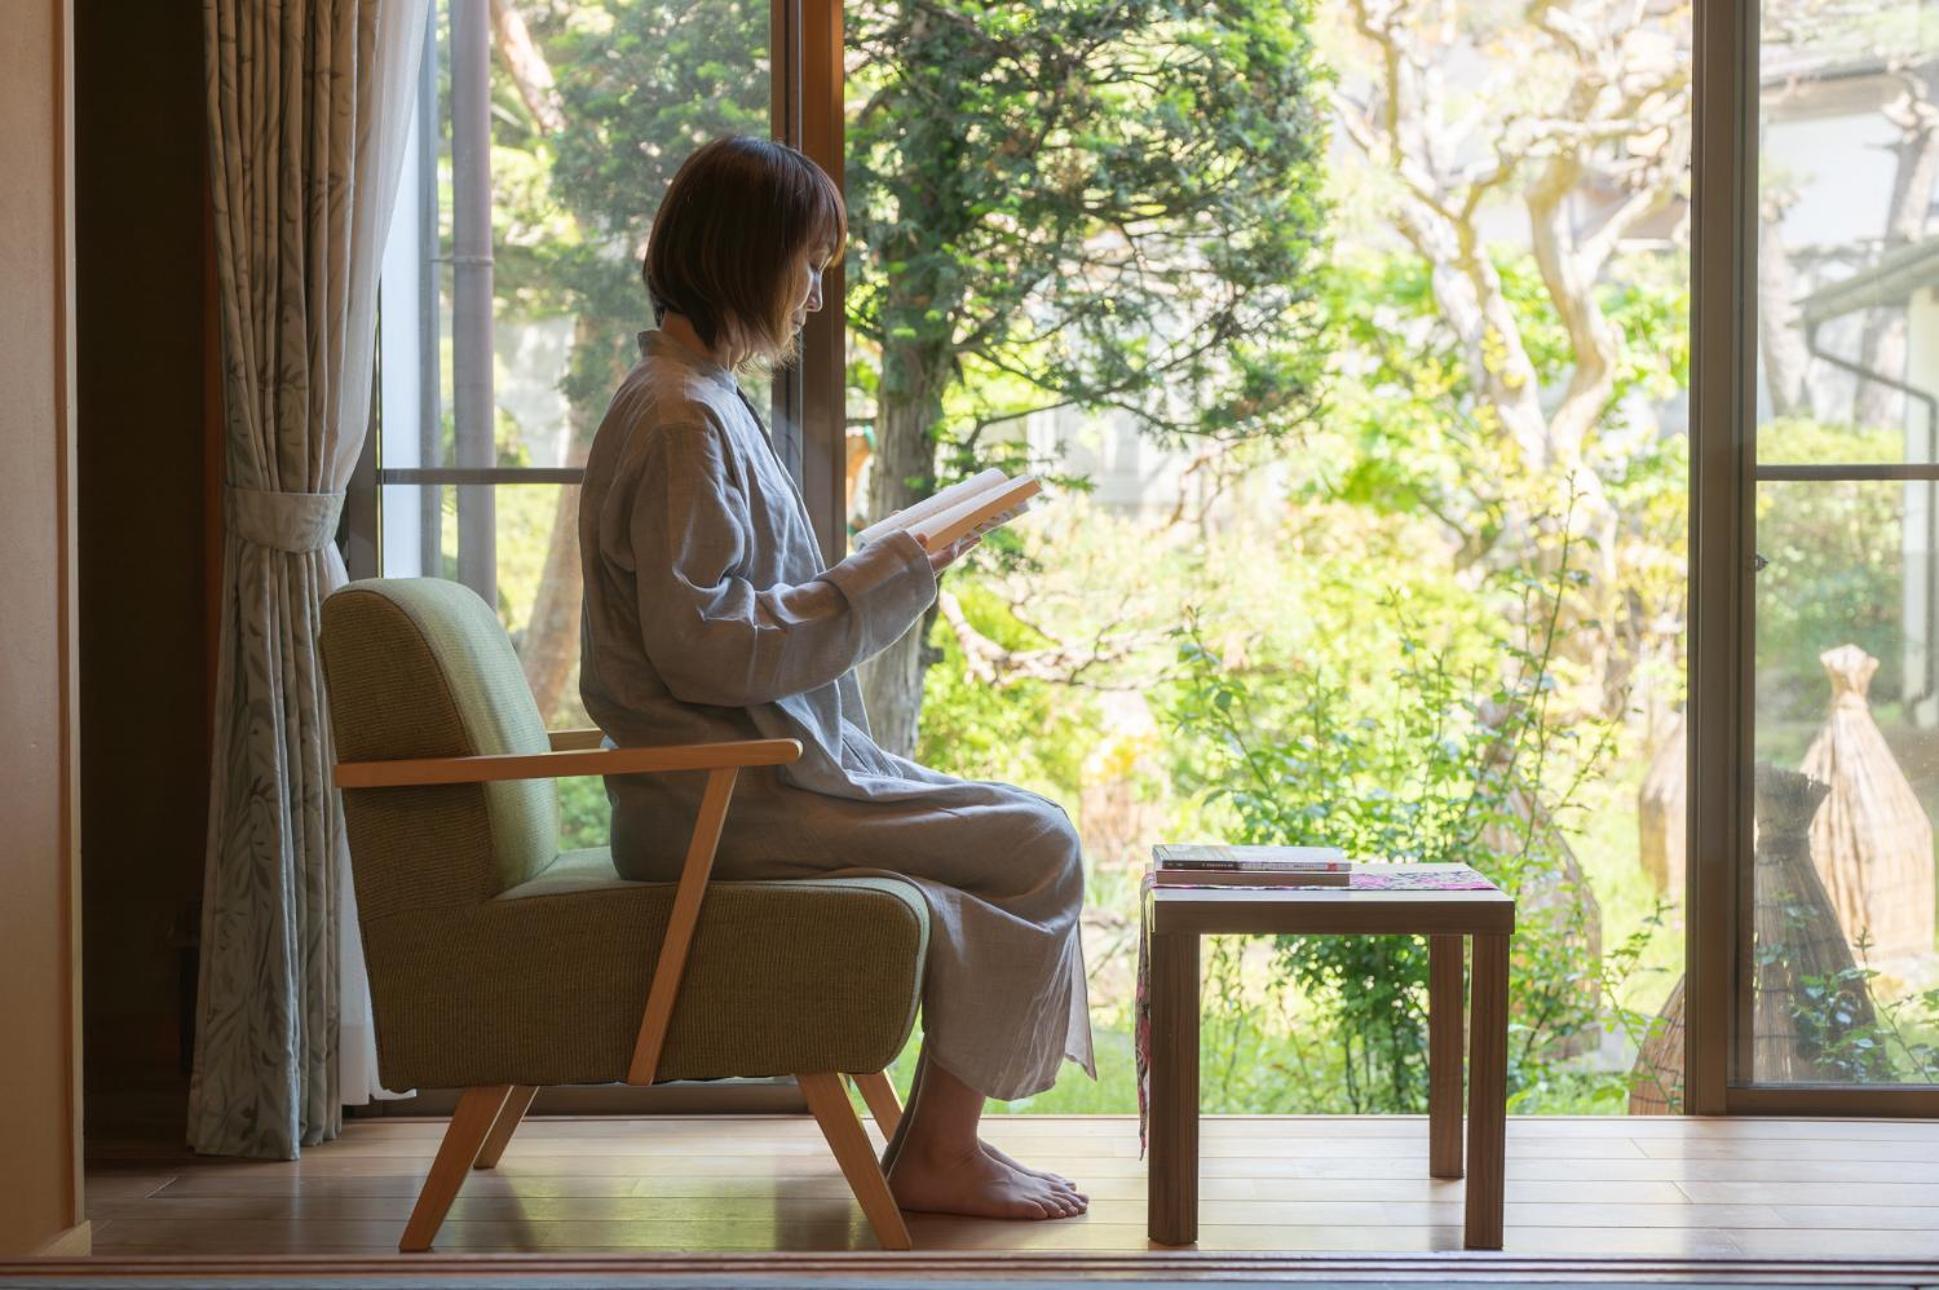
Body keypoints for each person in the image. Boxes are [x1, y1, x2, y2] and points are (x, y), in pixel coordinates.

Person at [577, 135, 1096, 1222]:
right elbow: (702, 647)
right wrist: (876, 579)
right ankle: (942, 1155)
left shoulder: (694, 397)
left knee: (1022, 827)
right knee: (1037, 841)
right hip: (720, 799)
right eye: (808, 265)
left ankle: (938, 1142)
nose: (817, 293)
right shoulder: (681, 419)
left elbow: (722, 614)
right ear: (745, 257)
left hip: (739, 783)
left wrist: (883, 567)